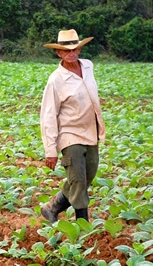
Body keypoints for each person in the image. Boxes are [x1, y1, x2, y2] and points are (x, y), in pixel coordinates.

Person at [39, 29, 105, 223]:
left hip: (91, 131)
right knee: (77, 180)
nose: (71, 53)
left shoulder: (88, 66)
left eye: (75, 49)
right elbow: (48, 116)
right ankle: (82, 225)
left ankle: (52, 208)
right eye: (66, 51)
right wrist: (50, 150)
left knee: (88, 176)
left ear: (80, 49)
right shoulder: (56, 80)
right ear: (59, 53)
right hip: (69, 134)